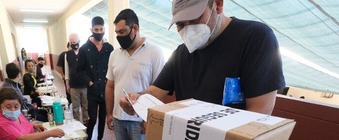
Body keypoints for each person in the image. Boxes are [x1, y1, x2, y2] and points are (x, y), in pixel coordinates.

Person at [120, 0, 285, 116]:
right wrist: (137, 99)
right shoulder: (181, 54)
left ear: (217, 4)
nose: (188, 29)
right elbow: (154, 91)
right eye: (180, 25)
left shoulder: (255, 38)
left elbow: (259, 114)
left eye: (194, 19)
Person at [106, 9, 165, 140]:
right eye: (116, 33)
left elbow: (160, 90)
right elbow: (110, 86)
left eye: (122, 32)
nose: (119, 36)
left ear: (135, 28)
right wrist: (109, 113)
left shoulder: (154, 52)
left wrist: (150, 119)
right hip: (118, 118)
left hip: (141, 119)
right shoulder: (114, 54)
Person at [76, 16, 114, 140]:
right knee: (92, 119)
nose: (99, 32)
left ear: (104, 29)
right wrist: (89, 82)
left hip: (106, 90)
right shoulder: (85, 49)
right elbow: (79, 71)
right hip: (92, 91)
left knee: (103, 117)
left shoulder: (109, 48)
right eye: (96, 29)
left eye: (101, 29)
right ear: (91, 30)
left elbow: (113, 68)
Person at [65, 33, 89, 124]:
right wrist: (67, 83)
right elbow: (67, 70)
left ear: (79, 41)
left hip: (84, 85)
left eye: (74, 42)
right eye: (70, 42)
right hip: (73, 85)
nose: (72, 44)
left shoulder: (84, 52)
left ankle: (86, 122)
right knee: (75, 107)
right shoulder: (67, 54)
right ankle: (77, 124)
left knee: (85, 106)